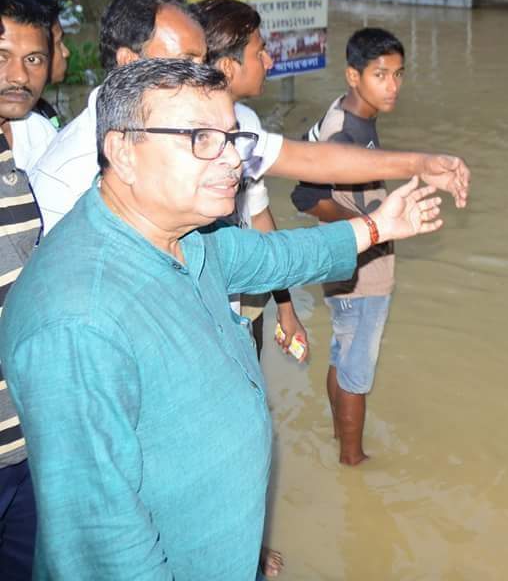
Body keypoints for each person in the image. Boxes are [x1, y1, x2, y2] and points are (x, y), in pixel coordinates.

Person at [0, 58, 444, 578]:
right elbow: (104, 546)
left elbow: (274, 257)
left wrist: (375, 227)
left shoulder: (182, 237)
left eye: (233, 138)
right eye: (201, 139)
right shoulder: (78, 322)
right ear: (122, 151)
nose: (233, 160)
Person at [29, 0, 470, 235]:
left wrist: (419, 164)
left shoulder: (221, 134)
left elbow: (310, 160)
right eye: (186, 62)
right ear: (130, 62)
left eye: (202, 61)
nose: (202, 76)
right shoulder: (67, 174)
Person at [291, 28, 404, 465]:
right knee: (358, 370)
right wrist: (367, 225)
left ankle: (341, 440)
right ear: (353, 75)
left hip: (345, 259)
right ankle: (354, 462)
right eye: (380, 74)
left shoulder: (350, 116)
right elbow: (304, 195)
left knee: (342, 351)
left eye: (398, 74)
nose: (392, 85)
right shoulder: (344, 133)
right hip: (360, 268)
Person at [194, 0, 305, 364]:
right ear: (228, 67)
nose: (269, 62)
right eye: (260, 52)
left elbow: (259, 219)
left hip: (246, 299)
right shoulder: (178, 136)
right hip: (201, 314)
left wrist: (285, 305)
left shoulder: (248, 124)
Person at [0, 0, 60, 579]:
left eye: (33, 59)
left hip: (28, 438)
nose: (18, 75)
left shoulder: (14, 162)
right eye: (1, 54)